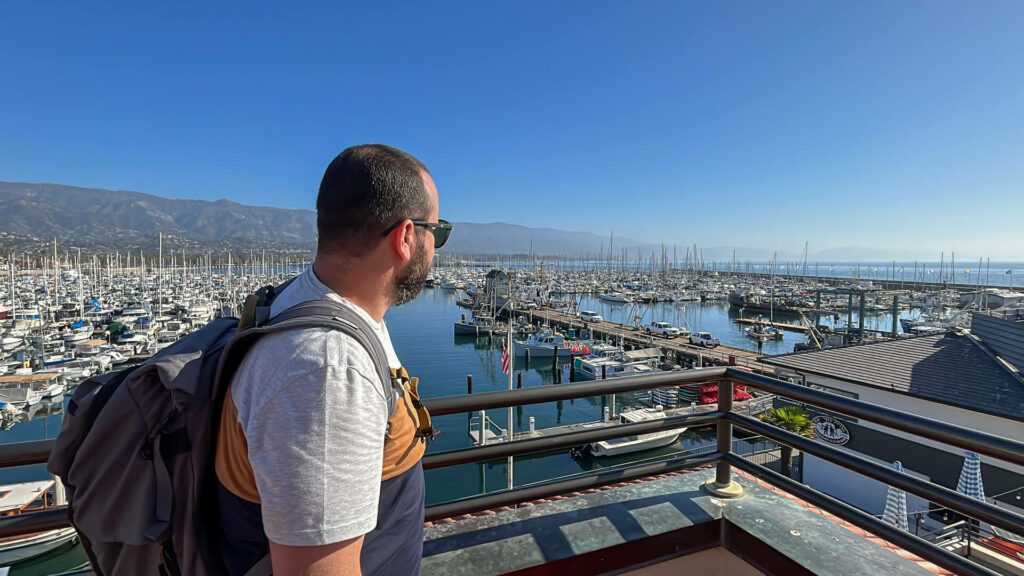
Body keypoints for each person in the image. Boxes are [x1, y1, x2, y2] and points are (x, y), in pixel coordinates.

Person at [215, 144, 452, 575]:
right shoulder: (327, 370)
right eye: (438, 231)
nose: (437, 247)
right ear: (405, 237)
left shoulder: (314, 303)